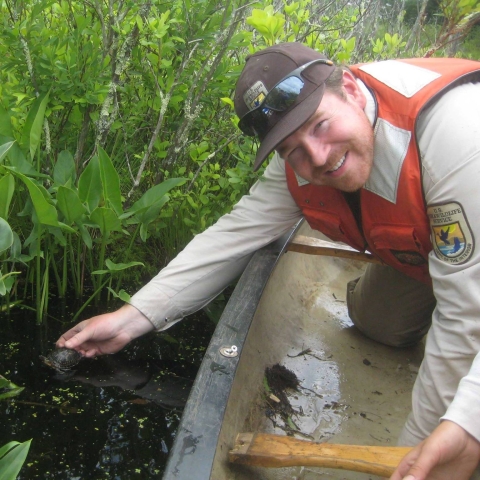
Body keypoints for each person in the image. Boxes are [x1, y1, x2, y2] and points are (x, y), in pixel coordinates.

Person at [57, 42, 480, 479]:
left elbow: (466, 317)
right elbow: (234, 235)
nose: (317, 157)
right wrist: (130, 319)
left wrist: (424, 449)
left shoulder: (458, 132)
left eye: (320, 125)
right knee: (378, 324)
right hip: (431, 252)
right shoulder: (302, 159)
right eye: (292, 148)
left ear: (351, 89)